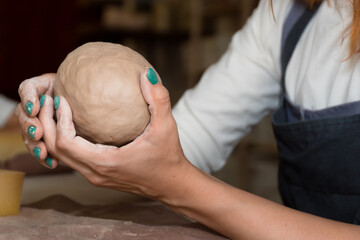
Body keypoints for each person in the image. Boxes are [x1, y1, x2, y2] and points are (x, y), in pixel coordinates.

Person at [15, 0, 360, 239]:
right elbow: (193, 136)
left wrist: (177, 185)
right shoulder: (286, 13)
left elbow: (172, 170)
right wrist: (75, 109)